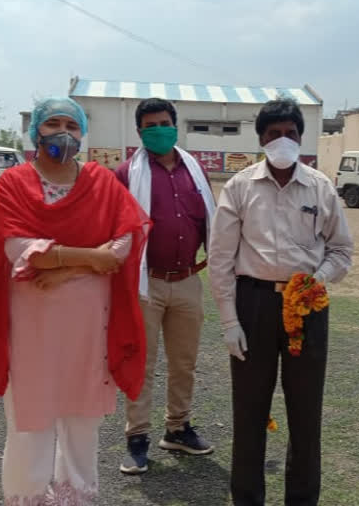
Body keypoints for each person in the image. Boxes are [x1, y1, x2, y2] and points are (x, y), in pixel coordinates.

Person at [0, 97, 149, 504]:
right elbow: (17, 246)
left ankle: (76, 498)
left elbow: (124, 241)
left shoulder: (102, 182)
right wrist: (92, 256)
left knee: (81, 418)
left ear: (82, 133)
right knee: (30, 419)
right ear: (36, 130)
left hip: (90, 322)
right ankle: (27, 496)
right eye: (53, 123)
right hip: (32, 323)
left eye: (72, 126)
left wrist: (64, 269)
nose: (63, 133)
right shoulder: (16, 182)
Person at [208, 98, 353, 506]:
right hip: (253, 305)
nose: (283, 141)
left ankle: (302, 500)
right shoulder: (239, 188)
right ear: (261, 140)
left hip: (307, 306)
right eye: (274, 135)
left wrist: (315, 280)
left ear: (301, 139)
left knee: (306, 413)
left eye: (290, 134)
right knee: (249, 411)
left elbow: (341, 251)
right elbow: (220, 259)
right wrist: (228, 322)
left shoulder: (320, 187)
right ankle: (247, 499)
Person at [114, 97, 216, 474]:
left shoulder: (195, 171)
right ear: (140, 132)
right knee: (141, 363)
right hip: (145, 283)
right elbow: (115, 229)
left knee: (184, 363)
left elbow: (211, 223)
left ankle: (177, 428)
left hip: (188, 279)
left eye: (165, 123)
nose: (159, 130)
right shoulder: (126, 174)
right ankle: (136, 437)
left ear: (176, 125)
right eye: (151, 125)